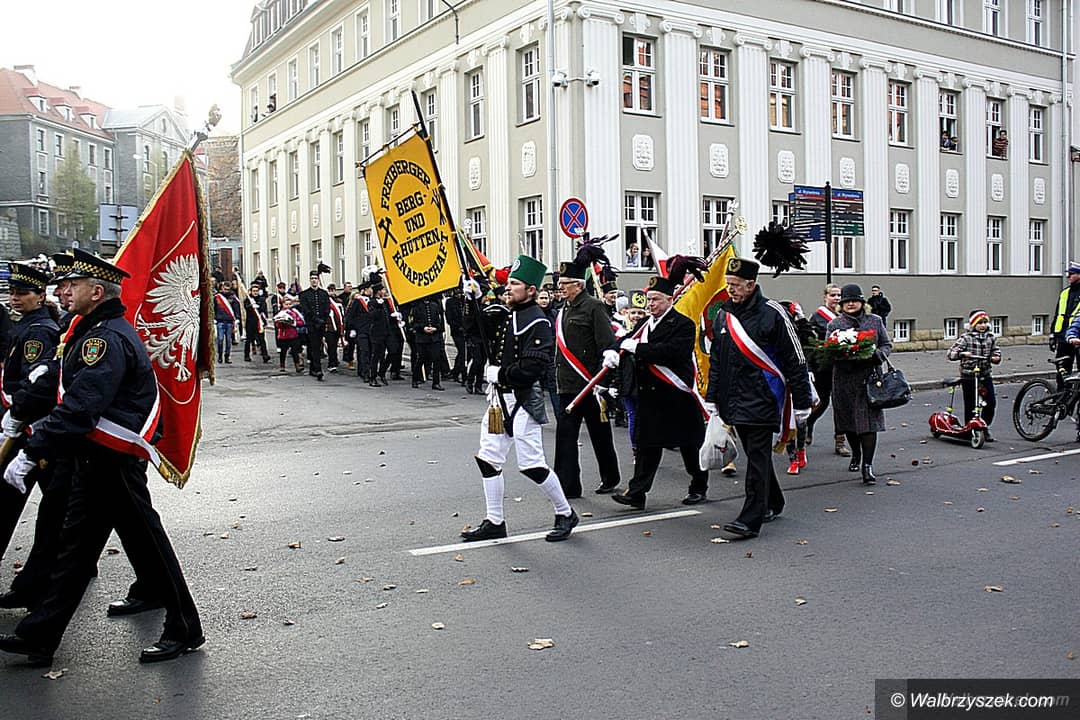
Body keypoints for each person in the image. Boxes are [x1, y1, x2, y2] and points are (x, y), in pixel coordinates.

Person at [0, 248, 202, 667]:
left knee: (149, 545)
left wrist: (32, 452)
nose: (62, 291)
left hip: (113, 459)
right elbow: (62, 388)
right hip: (93, 458)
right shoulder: (88, 330)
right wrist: (23, 408)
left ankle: (185, 627)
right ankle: (40, 636)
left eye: (71, 285)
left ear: (96, 292)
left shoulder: (103, 339)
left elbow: (81, 407)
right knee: (75, 551)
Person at [460, 256, 578, 543]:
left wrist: (499, 374)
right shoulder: (508, 314)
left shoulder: (538, 321)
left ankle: (565, 513)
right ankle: (495, 520)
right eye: (509, 283)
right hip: (499, 401)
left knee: (531, 465)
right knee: (488, 460)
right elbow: (474, 331)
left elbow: (533, 367)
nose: (508, 288)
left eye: (515, 284)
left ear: (531, 290)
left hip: (523, 400)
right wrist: (471, 299)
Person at [706, 257, 813, 539]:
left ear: (751, 284)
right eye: (728, 284)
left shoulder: (773, 313)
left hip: (764, 397)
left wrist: (802, 401)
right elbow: (717, 359)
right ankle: (773, 500)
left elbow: (796, 359)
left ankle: (750, 519)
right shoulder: (723, 315)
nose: (730, 289)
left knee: (756, 457)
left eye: (736, 284)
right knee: (757, 456)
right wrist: (712, 397)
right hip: (733, 398)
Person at [611, 275, 708, 509]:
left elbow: (672, 352)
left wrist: (639, 349)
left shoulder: (683, 324)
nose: (651, 304)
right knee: (647, 446)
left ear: (669, 299)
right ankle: (636, 493)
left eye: (655, 299)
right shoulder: (645, 324)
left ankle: (698, 486)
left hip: (676, 396)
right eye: (649, 299)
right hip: (649, 397)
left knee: (689, 445)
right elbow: (625, 341)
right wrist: (613, 351)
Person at [0, 263, 60, 566]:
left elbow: (36, 382)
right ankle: (73, 561)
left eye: (22, 293)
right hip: (26, 422)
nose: (15, 298)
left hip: (30, 425)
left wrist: (16, 414)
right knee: (57, 499)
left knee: (9, 493)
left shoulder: (39, 331)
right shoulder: (27, 325)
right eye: (12, 292)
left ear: (39, 295)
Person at [553, 259, 621, 498]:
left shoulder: (594, 307)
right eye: (560, 283)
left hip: (590, 384)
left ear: (578, 285)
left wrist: (605, 382)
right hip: (567, 384)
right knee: (565, 436)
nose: (560, 287)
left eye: (565, 283)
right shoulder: (563, 309)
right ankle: (568, 485)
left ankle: (610, 477)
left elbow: (607, 344)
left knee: (600, 435)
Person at [827, 284, 893, 485]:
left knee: (868, 425)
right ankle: (856, 453)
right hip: (844, 380)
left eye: (854, 300)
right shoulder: (835, 324)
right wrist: (842, 354)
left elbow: (886, 344)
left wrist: (878, 354)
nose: (850, 304)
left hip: (869, 379)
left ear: (862, 303)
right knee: (848, 423)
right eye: (846, 301)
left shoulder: (875, 321)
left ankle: (867, 465)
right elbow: (828, 350)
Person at [806, 283, 852, 457]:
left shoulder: (846, 317)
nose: (836, 298)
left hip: (841, 368)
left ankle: (840, 442)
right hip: (823, 368)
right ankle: (808, 424)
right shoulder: (817, 317)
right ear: (825, 297)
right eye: (833, 295)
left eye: (839, 295)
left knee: (841, 406)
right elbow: (809, 343)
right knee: (821, 403)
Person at [947, 309, 1002, 439]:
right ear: (973, 324)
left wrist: (996, 357)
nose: (982, 325)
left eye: (985, 322)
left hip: (985, 374)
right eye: (979, 323)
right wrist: (962, 354)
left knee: (990, 402)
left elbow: (996, 352)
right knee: (971, 404)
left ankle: (983, 426)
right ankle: (970, 428)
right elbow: (951, 353)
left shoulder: (991, 338)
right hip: (969, 375)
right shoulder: (966, 338)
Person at [1050, 261, 1080, 386]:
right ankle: (1062, 393)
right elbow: (1058, 314)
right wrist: (1052, 335)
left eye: (1071, 274)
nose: (1068, 276)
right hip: (1062, 336)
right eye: (1068, 274)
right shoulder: (1065, 292)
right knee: (1062, 369)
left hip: (1077, 337)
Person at [298, 270, 331, 381]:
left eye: (315, 278)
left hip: (322, 323)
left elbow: (327, 307)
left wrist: (323, 319)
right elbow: (306, 310)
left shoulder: (324, 293)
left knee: (318, 345)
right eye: (312, 278)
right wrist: (315, 319)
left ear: (318, 280)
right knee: (314, 345)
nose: (314, 280)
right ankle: (317, 369)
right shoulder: (304, 294)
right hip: (311, 324)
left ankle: (314, 367)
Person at [409, 294, 446, 390]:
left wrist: (436, 328)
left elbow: (439, 321)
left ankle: (436, 382)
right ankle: (415, 378)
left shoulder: (435, 306)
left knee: (436, 359)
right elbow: (413, 323)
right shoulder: (416, 308)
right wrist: (423, 328)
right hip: (422, 338)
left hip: (434, 337)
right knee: (421, 358)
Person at [273, 296, 305, 373]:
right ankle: (282, 365)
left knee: (295, 351)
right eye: (286, 304)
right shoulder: (280, 313)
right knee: (283, 351)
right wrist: (283, 322)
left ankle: (297, 366)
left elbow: (301, 322)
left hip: (293, 334)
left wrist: (294, 323)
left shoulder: (294, 312)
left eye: (289, 304)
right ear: (283, 304)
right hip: (284, 335)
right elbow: (277, 325)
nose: (288, 306)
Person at [213, 281, 241, 363]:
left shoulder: (233, 297)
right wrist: (214, 318)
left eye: (228, 289)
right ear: (222, 288)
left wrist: (237, 318)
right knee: (220, 340)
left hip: (229, 322)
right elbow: (213, 308)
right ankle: (220, 355)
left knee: (228, 341)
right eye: (225, 289)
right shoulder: (217, 297)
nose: (226, 291)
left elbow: (236, 308)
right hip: (220, 321)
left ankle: (227, 356)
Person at [243, 283, 271, 363]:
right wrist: (251, 306)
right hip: (250, 322)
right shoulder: (248, 299)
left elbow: (264, 309)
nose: (255, 292)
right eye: (254, 291)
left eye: (256, 291)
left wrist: (259, 308)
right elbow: (246, 307)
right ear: (251, 291)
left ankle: (265, 355)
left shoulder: (261, 299)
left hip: (259, 322)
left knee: (262, 339)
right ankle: (247, 355)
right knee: (249, 339)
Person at [445, 288, 467, 384]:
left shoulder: (464, 300)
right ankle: (462, 374)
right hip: (457, 330)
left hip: (466, 330)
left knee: (463, 353)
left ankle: (456, 371)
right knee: (462, 351)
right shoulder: (450, 302)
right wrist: (457, 326)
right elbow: (449, 318)